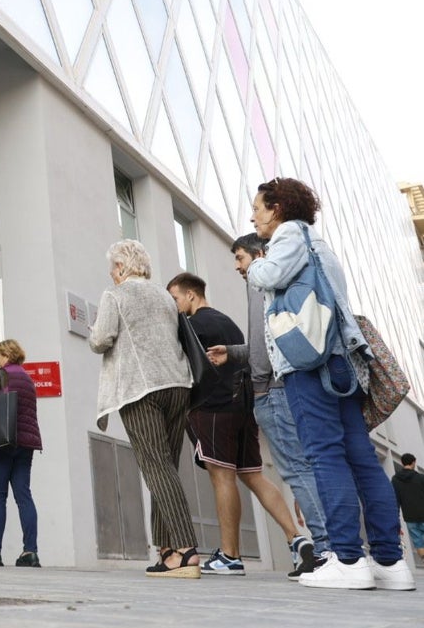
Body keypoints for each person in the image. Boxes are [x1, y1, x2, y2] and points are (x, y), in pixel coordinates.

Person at [248, 176, 414, 591]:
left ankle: (347, 558)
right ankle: (391, 563)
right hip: (343, 363)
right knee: (361, 459)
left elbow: (267, 275)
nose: (253, 215)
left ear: (278, 208)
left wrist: (255, 262)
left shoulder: (288, 234)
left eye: (258, 207)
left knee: (323, 456)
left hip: (308, 362)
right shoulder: (323, 245)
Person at [167, 271, 311, 577]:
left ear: (191, 295)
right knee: (253, 476)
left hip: (212, 407)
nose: (174, 305)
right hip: (244, 406)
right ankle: (297, 539)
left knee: (223, 478)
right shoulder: (228, 322)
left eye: (175, 298)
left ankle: (230, 556)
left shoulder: (192, 325)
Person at [206, 233, 328, 578]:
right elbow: (264, 342)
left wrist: (258, 380)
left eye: (241, 258)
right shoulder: (276, 279)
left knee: (297, 469)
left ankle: (326, 548)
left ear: (260, 255)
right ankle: (324, 547)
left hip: (272, 390)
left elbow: (267, 346)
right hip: (275, 387)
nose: (237, 267)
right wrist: (234, 353)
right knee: (297, 468)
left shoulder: (262, 280)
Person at [90, 240, 200, 579]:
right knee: (165, 468)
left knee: (155, 467)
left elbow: (101, 339)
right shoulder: (165, 297)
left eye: (112, 268)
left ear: (122, 267)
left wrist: (93, 330)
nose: (111, 273)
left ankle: (185, 549)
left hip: (141, 388)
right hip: (178, 386)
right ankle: (166, 550)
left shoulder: (115, 295)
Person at [0, 339, 42, 568]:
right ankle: (30, 552)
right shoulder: (28, 378)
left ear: (7, 354)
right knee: (24, 496)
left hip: (3, 442)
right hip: (27, 444)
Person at [391, 453, 424, 566]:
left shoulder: (395, 480)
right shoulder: (421, 477)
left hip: (410, 517)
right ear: (413, 462)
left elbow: (395, 501)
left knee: (418, 542)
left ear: (402, 463)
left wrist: (396, 519)